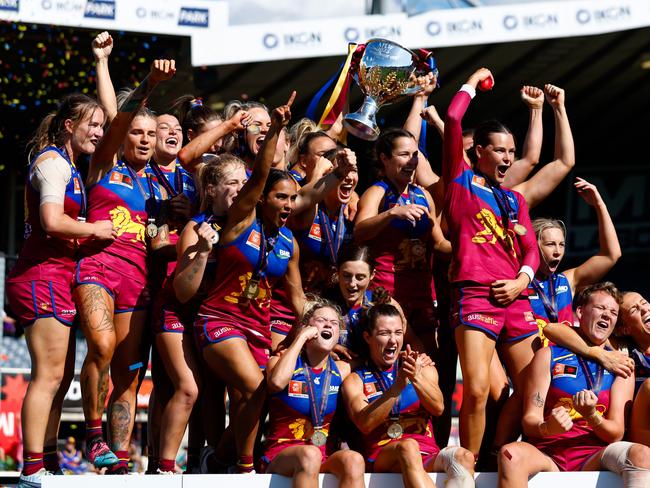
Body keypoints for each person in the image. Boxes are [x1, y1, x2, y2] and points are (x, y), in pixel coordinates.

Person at [194, 92, 305, 473]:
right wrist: (275, 129)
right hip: (218, 321)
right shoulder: (242, 218)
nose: (288, 205)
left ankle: (220, 458)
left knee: (252, 399)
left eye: (293, 198)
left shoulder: (289, 243)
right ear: (262, 199)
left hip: (258, 328)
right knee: (257, 388)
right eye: (281, 197)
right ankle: (243, 469)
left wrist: (328, 330)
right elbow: (258, 176)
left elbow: (297, 297)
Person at [73, 58, 176, 471]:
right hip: (97, 269)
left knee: (130, 375)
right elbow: (116, 121)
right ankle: (93, 435)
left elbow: (159, 241)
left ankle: (116, 457)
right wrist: (145, 82)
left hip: (138, 283)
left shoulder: (157, 184)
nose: (146, 139)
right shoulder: (104, 165)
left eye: (152, 134)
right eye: (138, 132)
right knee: (101, 345)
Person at [6, 94, 112, 487]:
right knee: (49, 377)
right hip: (40, 278)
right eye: (93, 125)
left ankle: (47, 458)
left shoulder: (68, 164)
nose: (100, 133)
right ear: (69, 126)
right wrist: (94, 230)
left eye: (103, 126)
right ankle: (32, 466)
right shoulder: (52, 163)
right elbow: (51, 221)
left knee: (61, 376)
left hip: (55, 276)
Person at [443, 68, 540, 458]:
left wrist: (522, 280)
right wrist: (472, 80)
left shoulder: (514, 200)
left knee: (536, 387)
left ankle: (510, 454)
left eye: (511, 153)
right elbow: (453, 118)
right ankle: (465, 469)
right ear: (478, 151)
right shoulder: (459, 182)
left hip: (516, 296)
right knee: (478, 389)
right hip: (475, 296)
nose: (507, 158)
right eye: (500, 150)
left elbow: (532, 249)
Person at [498, 282, 650, 488]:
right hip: (548, 453)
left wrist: (592, 416)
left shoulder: (621, 365)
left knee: (642, 455)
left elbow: (616, 433)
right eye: (600, 308)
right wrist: (547, 428)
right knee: (510, 454)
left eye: (613, 312)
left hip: (594, 455)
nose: (607, 315)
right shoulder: (548, 355)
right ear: (580, 312)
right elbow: (529, 420)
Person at [342, 304, 476, 487]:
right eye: (384, 333)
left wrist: (416, 376)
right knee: (408, 447)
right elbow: (364, 423)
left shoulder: (422, 367)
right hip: (383, 455)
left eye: (398, 333)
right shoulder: (355, 379)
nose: (393, 340)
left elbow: (438, 408)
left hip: (426, 453)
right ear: (368, 337)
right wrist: (397, 387)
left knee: (463, 457)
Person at [355, 128, 449, 355]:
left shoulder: (424, 195)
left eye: (415, 155)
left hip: (423, 295)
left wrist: (471, 247)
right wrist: (391, 214)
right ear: (384, 158)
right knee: (397, 361)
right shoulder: (376, 192)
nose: (412, 161)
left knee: (429, 359)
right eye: (404, 155)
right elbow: (359, 231)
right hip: (387, 294)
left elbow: (438, 244)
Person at [263, 301, 365, 488]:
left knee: (354, 459)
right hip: (281, 454)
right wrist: (300, 338)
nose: (328, 325)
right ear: (306, 327)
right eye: (321, 320)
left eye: (334, 323)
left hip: (323, 454)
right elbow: (276, 382)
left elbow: (376, 359)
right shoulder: (280, 361)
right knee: (310, 454)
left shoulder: (341, 370)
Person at [544, 291, 649, 446]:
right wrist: (600, 354)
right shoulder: (621, 349)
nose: (644, 309)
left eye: (644, 302)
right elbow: (552, 329)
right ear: (623, 329)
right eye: (634, 309)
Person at [530, 178, 621, 341]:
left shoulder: (566, 281)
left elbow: (611, 255)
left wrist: (600, 205)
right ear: (533, 246)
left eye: (562, 245)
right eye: (550, 244)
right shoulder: (517, 283)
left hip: (567, 360)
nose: (558, 251)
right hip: (532, 361)